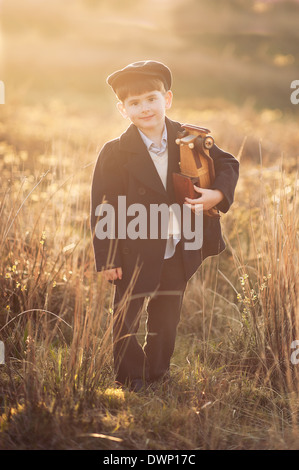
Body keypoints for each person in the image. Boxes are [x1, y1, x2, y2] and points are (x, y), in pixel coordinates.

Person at [90, 60, 239, 392]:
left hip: (178, 245)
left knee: (167, 312)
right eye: (135, 103)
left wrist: (217, 194)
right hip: (134, 246)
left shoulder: (190, 139)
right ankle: (130, 376)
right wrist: (108, 257)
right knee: (125, 314)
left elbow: (228, 162)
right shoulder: (115, 152)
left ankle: (157, 372)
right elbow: (102, 206)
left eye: (151, 99)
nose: (145, 108)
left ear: (167, 98)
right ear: (123, 109)